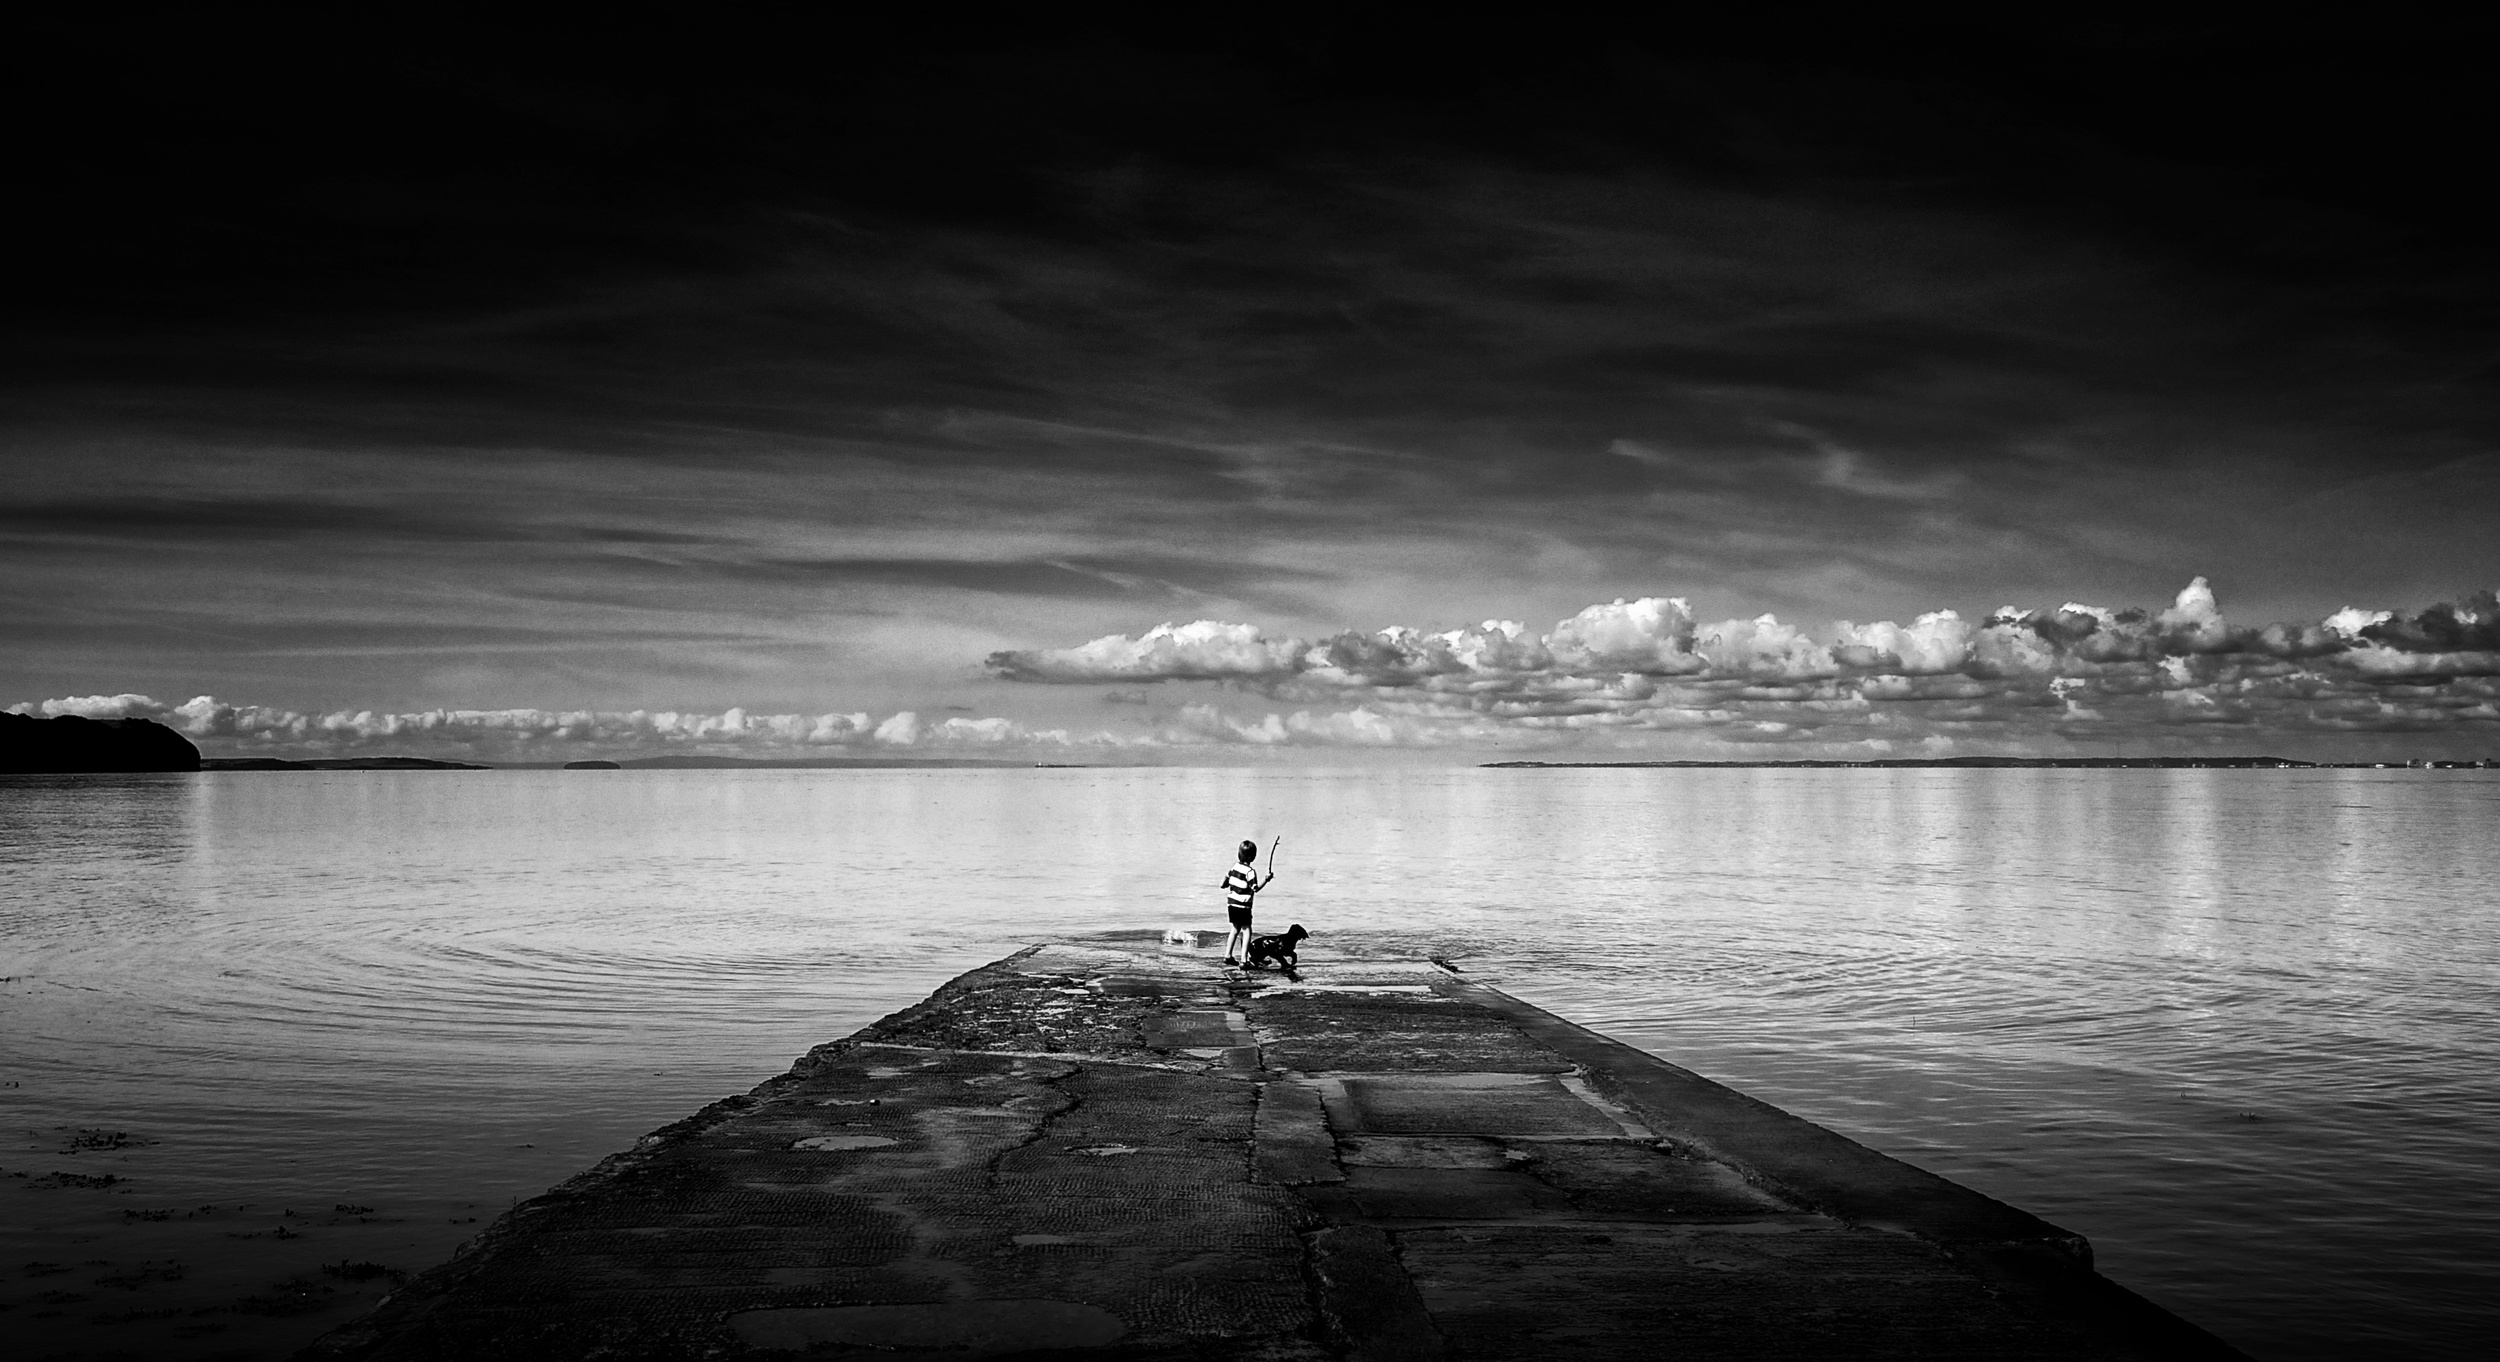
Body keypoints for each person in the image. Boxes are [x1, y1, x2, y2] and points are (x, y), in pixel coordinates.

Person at [1219, 838, 1271, 965]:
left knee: (1235, 929)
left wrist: (1228, 884)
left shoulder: (1234, 867)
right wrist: (1266, 880)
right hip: (1243, 906)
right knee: (1247, 930)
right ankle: (1244, 960)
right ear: (1253, 857)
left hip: (1232, 904)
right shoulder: (1250, 872)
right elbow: (1255, 888)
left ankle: (1228, 955)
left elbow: (1222, 884)